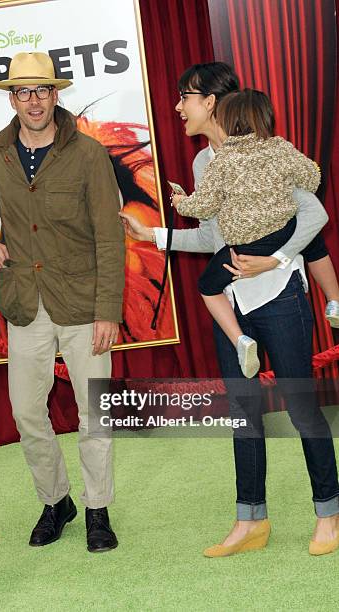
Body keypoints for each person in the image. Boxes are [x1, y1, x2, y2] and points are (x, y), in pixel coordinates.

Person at [120, 62, 339, 556]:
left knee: (303, 411)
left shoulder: (269, 151)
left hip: (281, 295)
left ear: (212, 102)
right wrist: (153, 234)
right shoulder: (204, 165)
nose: (179, 107)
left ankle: (329, 513)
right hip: (233, 303)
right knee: (243, 415)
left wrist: (276, 259)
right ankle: (251, 521)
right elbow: (214, 238)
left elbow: (312, 216)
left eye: (186, 97)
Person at [0, 52, 125, 552]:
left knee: (93, 413)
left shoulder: (89, 154)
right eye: (22, 92)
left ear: (55, 95)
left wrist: (108, 310)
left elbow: (109, 236)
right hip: (24, 301)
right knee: (26, 411)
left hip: (84, 302)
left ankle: (98, 508)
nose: (33, 101)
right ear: (10, 98)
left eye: (41, 91)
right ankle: (56, 502)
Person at [171, 89, 321, 378]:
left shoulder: (223, 160)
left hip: (243, 246)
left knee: (207, 286)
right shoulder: (280, 147)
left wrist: (181, 203)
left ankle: (240, 340)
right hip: (281, 234)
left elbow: (203, 206)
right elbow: (312, 178)